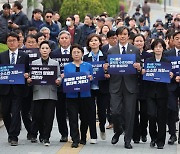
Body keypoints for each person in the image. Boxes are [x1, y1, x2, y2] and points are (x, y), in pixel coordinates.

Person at [104, 26, 141, 149]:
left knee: (129, 114)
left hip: (130, 86)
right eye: (120, 34)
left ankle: (127, 140)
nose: (123, 36)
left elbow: (140, 68)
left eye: (125, 34)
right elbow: (108, 68)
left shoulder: (135, 50)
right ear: (117, 36)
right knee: (114, 111)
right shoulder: (111, 51)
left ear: (128, 35)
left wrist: (138, 67)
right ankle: (118, 130)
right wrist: (106, 68)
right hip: (115, 85)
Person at [27, 40, 61, 146]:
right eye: (43, 48)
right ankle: (41, 134)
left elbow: (59, 76)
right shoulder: (34, 63)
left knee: (49, 117)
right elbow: (31, 77)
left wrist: (59, 81)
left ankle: (46, 137)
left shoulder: (55, 63)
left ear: (50, 50)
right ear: (39, 50)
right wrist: (29, 80)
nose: (45, 50)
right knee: (37, 116)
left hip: (51, 92)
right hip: (38, 92)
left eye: (47, 48)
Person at [0, 32, 29, 146]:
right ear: (6, 43)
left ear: (18, 42)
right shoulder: (2, 56)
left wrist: (27, 75)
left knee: (16, 112)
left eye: (14, 40)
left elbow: (28, 70)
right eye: (9, 41)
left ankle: (14, 136)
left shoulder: (24, 56)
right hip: (5, 89)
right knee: (6, 112)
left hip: (18, 89)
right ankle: (10, 132)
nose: (11, 43)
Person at [143, 39, 173, 149]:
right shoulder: (148, 61)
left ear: (163, 48)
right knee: (151, 115)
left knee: (161, 118)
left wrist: (170, 75)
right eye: (156, 47)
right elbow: (145, 76)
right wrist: (144, 72)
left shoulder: (167, 62)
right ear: (153, 48)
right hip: (150, 92)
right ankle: (153, 137)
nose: (158, 49)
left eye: (160, 46)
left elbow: (170, 76)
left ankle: (161, 141)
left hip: (163, 93)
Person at [63, 44, 93, 148]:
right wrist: (63, 78)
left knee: (85, 118)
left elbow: (92, 79)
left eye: (78, 52)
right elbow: (65, 81)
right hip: (71, 96)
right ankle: (75, 139)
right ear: (71, 54)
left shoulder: (88, 66)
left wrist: (90, 78)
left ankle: (83, 137)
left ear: (82, 54)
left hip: (85, 95)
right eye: (74, 52)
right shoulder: (67, 67)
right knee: (73, 118)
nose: (76, 54)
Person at [84, 33, 108, 142]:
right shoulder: (85, 57)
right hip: (89, 88)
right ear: (88, 44)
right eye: (91, 41)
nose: (93, 42)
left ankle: (102, 127)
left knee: (102, 112)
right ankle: (93, 135)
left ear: (99, 42)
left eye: (95, 40)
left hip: (102, 87)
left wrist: (108, 73)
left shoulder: (106, 56)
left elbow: (111, 71)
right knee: (90, 112)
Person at [50, 30, 71, 142]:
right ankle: (63, 133)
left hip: (73, 87)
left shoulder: (75, 51)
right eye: (61, 38)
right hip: (59, 88)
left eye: (66, 38)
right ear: (58, 40)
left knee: (73, 112)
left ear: (70, 39)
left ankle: (74, 133)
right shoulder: (53, 54)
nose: (64, 40)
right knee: (60, 112)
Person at [132, 34, 152, 144]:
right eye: (137, 41)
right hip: (133, 85)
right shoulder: (130, 55)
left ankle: (144, 132)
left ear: (144, 43)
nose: (139, 43)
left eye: (141, 41)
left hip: (145, 86)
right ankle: (135, 135)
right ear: (133, 42)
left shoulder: (148, 56)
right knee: (134, 112)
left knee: (145, 112)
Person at [164, 31, 180, 145]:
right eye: (177, 38)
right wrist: (172, 75)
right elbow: (164, 68)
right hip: (171, 85)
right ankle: (173, 134)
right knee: (171, 110)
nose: (179, 40)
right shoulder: (168, 54)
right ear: (172, 40)